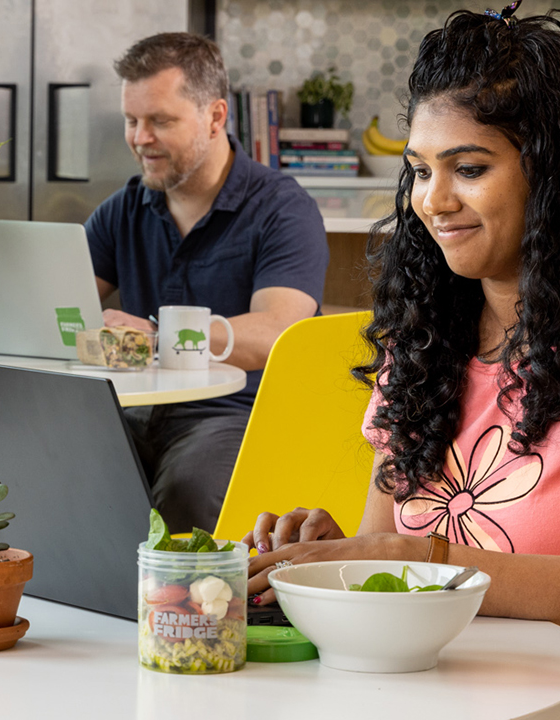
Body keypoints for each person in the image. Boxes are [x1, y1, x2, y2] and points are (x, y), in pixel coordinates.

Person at [245, 7, 560, 718]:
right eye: (420, 171)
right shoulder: (426, 336)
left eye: (470, 168)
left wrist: (414, 561)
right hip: (453, 700)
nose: (433, 200)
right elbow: (390, 548)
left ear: (554, 173)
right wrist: (340, 561)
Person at [85, 32, 329, 533]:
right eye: (132, 121)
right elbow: (62, 309)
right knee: (56, 468)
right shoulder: (121, 211)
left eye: (160, 121)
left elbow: (279, 332)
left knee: (184, 494)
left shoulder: (282, 210)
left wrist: (158, 336)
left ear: (216, 117)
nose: (139, 138)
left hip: (233, 415)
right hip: (135, 408)